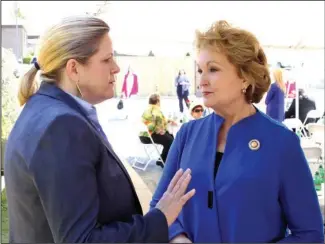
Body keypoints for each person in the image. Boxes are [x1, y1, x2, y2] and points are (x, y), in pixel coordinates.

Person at [4, 16, 195, 243]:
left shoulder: (42, 109)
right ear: (74, 68)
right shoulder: (62, 126)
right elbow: (82, 240)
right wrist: (160, 218)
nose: (116, 68)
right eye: (107, 59)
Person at [150, 20, 324, 243]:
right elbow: (158, 206)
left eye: (213, 69)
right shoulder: (187, 135)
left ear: (245, 76)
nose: (201, 80)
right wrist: (178, 238)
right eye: (200, 70)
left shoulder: (282, 142)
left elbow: (310, 234)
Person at [139, 94, 176, 168]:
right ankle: (162, 160)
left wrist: (167, 122)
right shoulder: (156, 110)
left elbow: (155, 121)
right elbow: (159, 121)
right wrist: (162, 129)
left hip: (143, 136)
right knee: (170, 140)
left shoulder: (148, 108)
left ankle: (162, 159)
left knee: (170, 137)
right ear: (158, 101)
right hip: (149, 135)